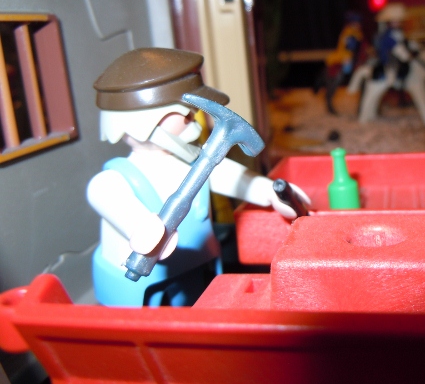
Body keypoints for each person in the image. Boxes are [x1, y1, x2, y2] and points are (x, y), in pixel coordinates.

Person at [87, 48, 310, 307]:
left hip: (197, 267)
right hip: (139, 284)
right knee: (149, 323)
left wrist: (270, 191)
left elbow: (231, 176)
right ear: (146, 122)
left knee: (200, 309)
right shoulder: (118, 178)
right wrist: (139, 226)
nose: (194, 121)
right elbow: (104, 195)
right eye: (187, 115)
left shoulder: (196, 162)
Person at [321, 12, 364, 114]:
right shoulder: (349, 32)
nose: (358, 24)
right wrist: (354, 44)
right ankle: (343, 80)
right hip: (345, 56)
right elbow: (349, 47)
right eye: (356, 22)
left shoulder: (357, 32)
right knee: (346, 68)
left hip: (351, 55)